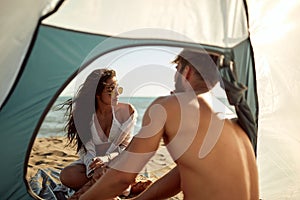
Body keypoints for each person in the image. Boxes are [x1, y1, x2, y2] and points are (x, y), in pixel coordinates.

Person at [79, 49, 259, 200]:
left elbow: (122, 176)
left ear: (186, 71)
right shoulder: (229, 119)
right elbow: (182, 175)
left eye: (177, 69)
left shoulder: (171, 106)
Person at [59, 69, 137, 196]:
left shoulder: (127, 112)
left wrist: (106, 159)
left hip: (119, 162)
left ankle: (91, 190)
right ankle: (108, 187)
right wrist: (94, 167)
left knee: (120, 180)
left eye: (118, 87)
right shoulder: (84, 115)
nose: (118, 93)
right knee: (67, 175)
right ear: (97, 93)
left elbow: (126, 148)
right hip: (94, 165)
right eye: (112, 88)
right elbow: (84, 150)